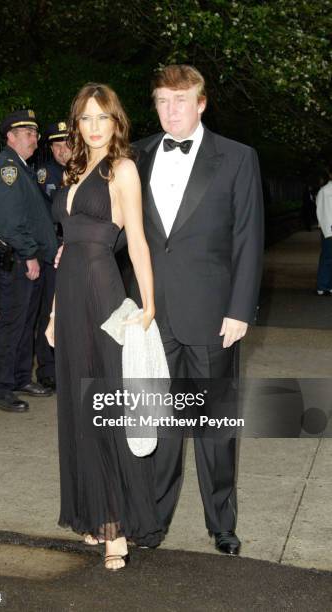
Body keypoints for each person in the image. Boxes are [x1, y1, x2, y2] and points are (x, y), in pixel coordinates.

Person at [131, 65, 264, 555]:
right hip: (153, 315)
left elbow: (249, 238)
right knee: (159, 426)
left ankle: (222, 523)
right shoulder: (137, 154)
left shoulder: (236, 157)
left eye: (181, 100)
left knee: (215, 429)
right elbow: (122, 225)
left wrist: (240, 309)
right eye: (163, 100)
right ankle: (153, 521)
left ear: (202, 103)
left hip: (213, 316)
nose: (171, 111)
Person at [45, 83, 164, 570]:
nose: (93, 127)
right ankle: (94, 515)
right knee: (78, 403)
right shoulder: (74, 168)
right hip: (69, 294)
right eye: (85, 119)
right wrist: (53, 313)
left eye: (102, 118)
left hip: (101, 292)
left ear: (116, 121)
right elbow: (65, 249)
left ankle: (117, 527)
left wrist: (150, 303)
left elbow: (136, 239)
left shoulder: (123, 168)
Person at [0, 110, 58, 413]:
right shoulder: (8, 169)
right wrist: (29, 255)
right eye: (28, 133)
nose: (35, 139)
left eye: (35, 133)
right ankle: (0, 387)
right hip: (18, 259)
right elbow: (12, 221)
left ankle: (19, 377)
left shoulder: (21, 167)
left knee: (26, 322)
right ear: (10, 137)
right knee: (13, 323)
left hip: (27, 257)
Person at [35, 122, 71, 390]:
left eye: (67, 144)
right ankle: (48, 370)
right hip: (53, 251)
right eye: (56, 145)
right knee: (50, 310)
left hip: (76, 249)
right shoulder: (46, 173)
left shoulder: (81, 171)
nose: (62, 150)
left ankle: (67, 366)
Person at [315, 164, 332, 296]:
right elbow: (320, 211)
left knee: (326, 258)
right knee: (327, 258)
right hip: (329, 230)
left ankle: (324, 286)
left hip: (328, 230)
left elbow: (319, 210)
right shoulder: (324, 191)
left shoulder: (323, 191)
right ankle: (325, 285)